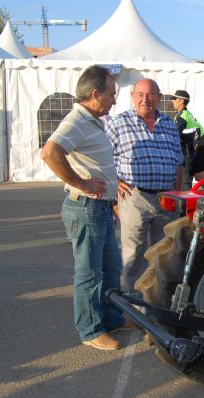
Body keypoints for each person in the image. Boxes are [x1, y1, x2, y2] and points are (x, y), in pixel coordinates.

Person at [41, 65, 139, 352]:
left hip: (99, 209)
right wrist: (80, 183)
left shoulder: (91, 120)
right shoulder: (77, 121)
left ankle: (110, 318)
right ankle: (90, 330)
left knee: (110, 268)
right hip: (86, 208)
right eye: (111, 94)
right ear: (95, 93)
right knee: (89, 273)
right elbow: (50, 152)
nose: (113, 100)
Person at [107, 78, 184, 292]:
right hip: (135, 196)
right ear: (132, 96)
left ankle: (158, 303)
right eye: (140, 94)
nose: (145, 99)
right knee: (134, 256)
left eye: (151, 95)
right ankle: (136, 306)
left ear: (158, 97)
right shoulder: (119, 123)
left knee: (164, 254)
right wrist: (114, 184)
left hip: (166, 199)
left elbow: (178, 162)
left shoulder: (169, 124)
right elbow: (102, 158)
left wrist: (176, 194)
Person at [171, 90, 204, 189]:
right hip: (188, 155)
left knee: (183, 188)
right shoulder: (188, 114)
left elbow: (173, 136)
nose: (172, 101)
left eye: (174, 99)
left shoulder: (183, 116)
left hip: (185, 157)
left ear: (181, 101)